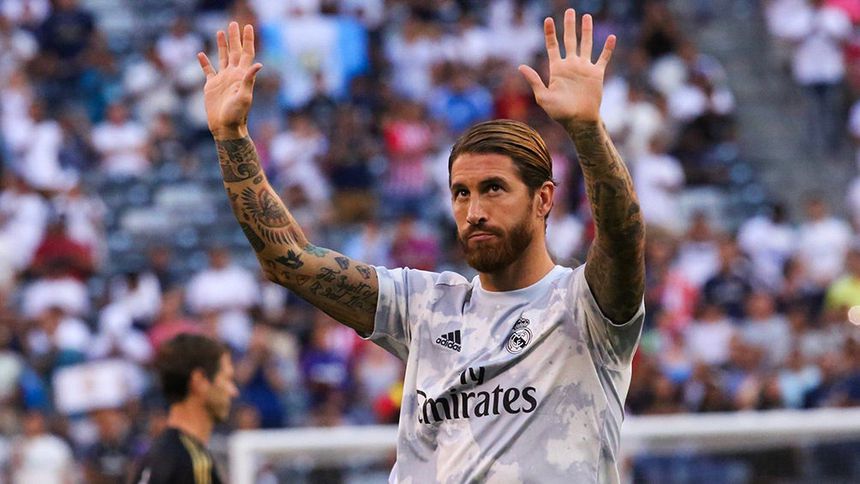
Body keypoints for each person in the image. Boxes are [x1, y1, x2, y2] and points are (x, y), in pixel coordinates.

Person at [198, 8, 644, 483]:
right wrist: (231, 136)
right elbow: (288, 260)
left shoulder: (583, 308)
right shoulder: (425, 306)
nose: (474, 211)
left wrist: (586, 130)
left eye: (494, 189)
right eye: (461, 193)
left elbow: (622, 237)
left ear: (544, 199)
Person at [128, 333, 237, 484]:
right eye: (227, 379)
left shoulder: (151, 458)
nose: (233, 391)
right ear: (199, 380)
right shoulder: (194, 463)